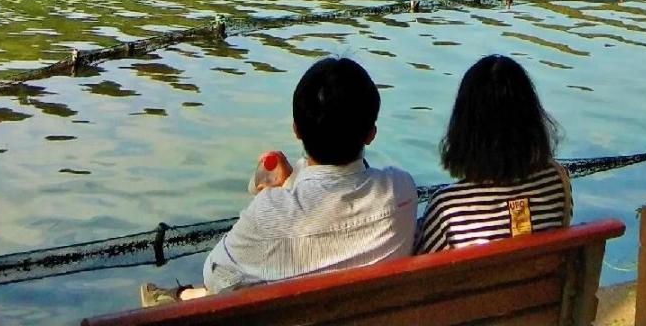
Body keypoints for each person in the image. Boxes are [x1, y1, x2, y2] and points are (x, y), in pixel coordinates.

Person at [141, 57, 417, 307]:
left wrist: (284, 191)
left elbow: (215, 275)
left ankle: (177, 297)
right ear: (371, 134)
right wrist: (293, 183)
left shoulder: (269, 212)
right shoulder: (401, 191)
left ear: (296, 129)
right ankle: (178, 296)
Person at [415, 55, 571, 253]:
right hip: (544, 282)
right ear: (531, 120)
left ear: (465, 128)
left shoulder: (447, 208)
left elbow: (421, 275)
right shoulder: (557, 182)